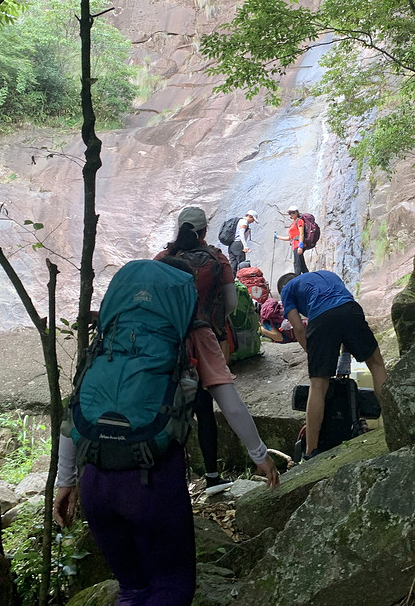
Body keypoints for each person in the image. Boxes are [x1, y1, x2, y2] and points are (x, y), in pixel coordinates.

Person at [53, 257, 278, 606]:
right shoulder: (193, 331)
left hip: (95, 480)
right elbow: (229, 403)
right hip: (151, 481)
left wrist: (65, 481)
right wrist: (259, 456)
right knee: (170, 588)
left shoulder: (108, 336)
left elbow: (75, 408)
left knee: (131, 588)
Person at [155, 207, 237, 495]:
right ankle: (213, 476)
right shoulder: (216, 257)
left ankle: (171, 478)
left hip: (166, 343)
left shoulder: (163, 259)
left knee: (167, 407)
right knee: (204, 409)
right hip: (203, 342)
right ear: (204, 231)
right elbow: (231, 303)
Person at [277, 271, 387, 460]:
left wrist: (315, 358)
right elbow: (343, 313)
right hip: (350, 309)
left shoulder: (287, 289)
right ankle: (393, 421)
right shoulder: (327, 274)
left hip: (322, 318)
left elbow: (299, 328)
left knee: (318, 385)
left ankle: (311, 451)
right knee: (376, 364)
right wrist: (343, 358)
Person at [275, 206, 308, 274]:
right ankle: (310, 278)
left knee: (297, 264)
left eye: (293, 212)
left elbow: (301, 234)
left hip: (298, 245)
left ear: (297, 212)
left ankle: (297, 281)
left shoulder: (299, 221)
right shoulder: (293, 223)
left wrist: (300, 246)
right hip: (295, 245)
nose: (291, 214)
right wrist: (277, 237)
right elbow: (289, 238)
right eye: (290, 213)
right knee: (302, 265)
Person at [227, 210, 258, 274]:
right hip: (238, 244)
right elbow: (241, 233)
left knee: (233, 264)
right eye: (253, 219)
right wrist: (245, 246)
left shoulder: (239, 221)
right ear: (249, 216)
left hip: (232, 244)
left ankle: (233, 280)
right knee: (242, 265)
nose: (252, 221)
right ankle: (243, 280)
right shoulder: (244, 222)